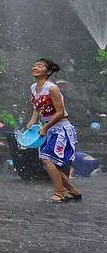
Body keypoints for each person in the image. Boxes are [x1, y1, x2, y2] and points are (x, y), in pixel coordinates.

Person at [24, 58, 81, 203]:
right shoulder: (33, 87)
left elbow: (60, 112)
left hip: (60, 128)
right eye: (35, 64)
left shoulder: (52, 88)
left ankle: (59, 192)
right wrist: (32, 121)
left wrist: (45, 127)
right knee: (49, 161)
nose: (36, 67)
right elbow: (37, 108)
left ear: (48, 72)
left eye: (40, 66)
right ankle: (73, 191)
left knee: (47, 159)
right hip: (47, 128)